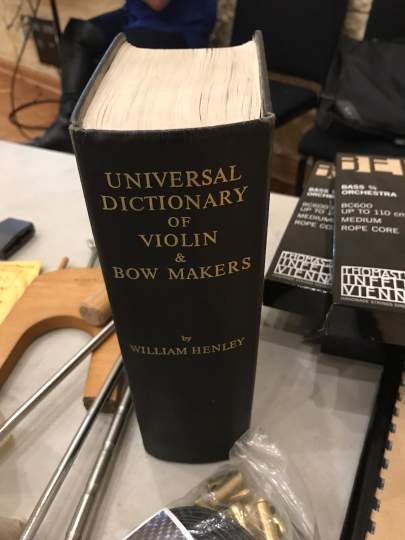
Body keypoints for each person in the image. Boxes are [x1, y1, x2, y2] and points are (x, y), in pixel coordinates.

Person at [31, 0, 217, 152]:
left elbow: (157, 3)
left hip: (179, 25)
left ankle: (111, 142)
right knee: (77, 34)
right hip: (135, 14)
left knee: (122, 55)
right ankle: (67, 124)